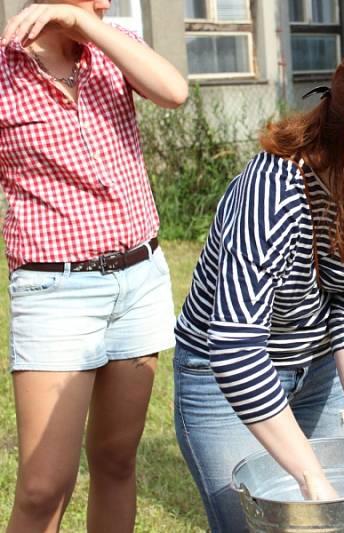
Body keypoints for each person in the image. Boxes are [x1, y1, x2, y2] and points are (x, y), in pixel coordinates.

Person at [173, 39, 344, 532]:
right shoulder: (273, 194)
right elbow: (236, 350)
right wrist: (310, 475)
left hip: (317, 367)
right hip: (226, 379)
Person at [0, 1, 188, 532]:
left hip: (139, 280)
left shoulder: (111, 48)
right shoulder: (4, 71)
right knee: (43, 487)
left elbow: (173, 92)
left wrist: (85, 24)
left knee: (114, 459)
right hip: (54, 292)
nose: (105, 3)